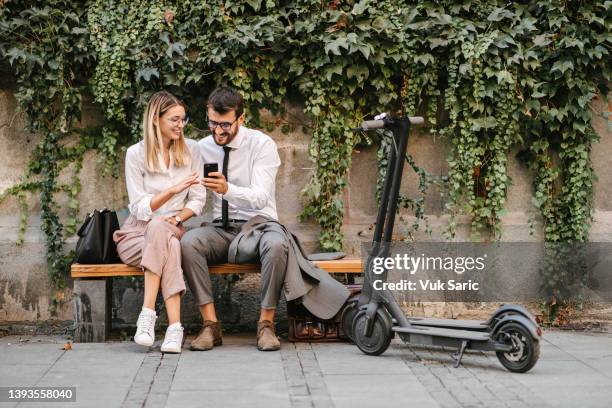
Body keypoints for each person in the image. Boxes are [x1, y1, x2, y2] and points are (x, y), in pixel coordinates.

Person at [181, 86, 349, 352]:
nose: (218, 131)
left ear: (241, 118)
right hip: (222, 229)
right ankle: (210, 325)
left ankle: (266, 324)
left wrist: (228, 190)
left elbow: (260, 197)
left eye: (225, 124)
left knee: (277, 245)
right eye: (212, 123)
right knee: (189, 242)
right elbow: (196, 194)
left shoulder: (261, 145)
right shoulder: (202, 147)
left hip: (260, 226)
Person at [113, 91, 206, 353]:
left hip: (174, 227)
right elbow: (140, 209)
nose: (180, 125)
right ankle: (174, 327)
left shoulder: (192, 150)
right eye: (174, 119)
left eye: (183, 119)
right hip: (136, 234)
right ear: (156, 119)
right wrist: (173, 190)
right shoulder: (136, 153)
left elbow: (198, 201)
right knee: (165, 240)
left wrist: (175, 218)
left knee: (165, 233)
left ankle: (147, 316)